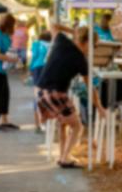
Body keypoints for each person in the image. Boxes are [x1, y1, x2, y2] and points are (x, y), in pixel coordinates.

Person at [35, 25, 106, 168]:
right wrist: (99, 106)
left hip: (41, 92)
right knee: (78, 126)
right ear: (86, 42)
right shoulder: (81, 60)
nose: (91, 50)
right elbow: (90, 87)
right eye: (93, 46)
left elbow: (54, 25)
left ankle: (63, 154)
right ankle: (65, 158)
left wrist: (73, 31)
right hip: (56, 94)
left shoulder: (61, 41)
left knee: (64, 124)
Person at [30, 31, 52, 133]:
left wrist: (30, 68)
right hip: (48, 69)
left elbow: (34, 57)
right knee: (47, 96)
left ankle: (37, 125)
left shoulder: (36, 44)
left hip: (37, 69)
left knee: (37, 96)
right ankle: (46, 123)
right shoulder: (52, 45)